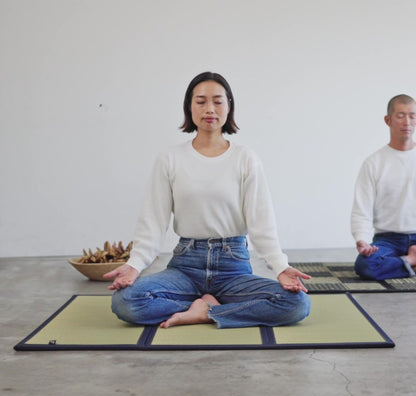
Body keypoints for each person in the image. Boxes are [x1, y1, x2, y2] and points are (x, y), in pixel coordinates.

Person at [104, 71, 311, 329]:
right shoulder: (170, 159)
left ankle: (207, 311)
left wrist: (280, 266)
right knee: (126, 301)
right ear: (189, 108)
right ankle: (212, 308)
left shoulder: (245, 158)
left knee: (297, 304)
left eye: (217, 101)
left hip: (233, 268)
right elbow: (153, 221)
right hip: (185, 267)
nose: (209, 109)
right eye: (200, 101)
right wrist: (134, 265)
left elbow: (261, 223)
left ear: (229, 107)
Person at [351, 94, 416, 280]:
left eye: (412, 116)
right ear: (388, 120)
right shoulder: (374, 163)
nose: (407, 122)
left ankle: (401, 264)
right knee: (365, 266)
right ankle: (411, 260)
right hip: (388, 240)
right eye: (401, 115)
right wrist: (362, 239)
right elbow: (361, 209)